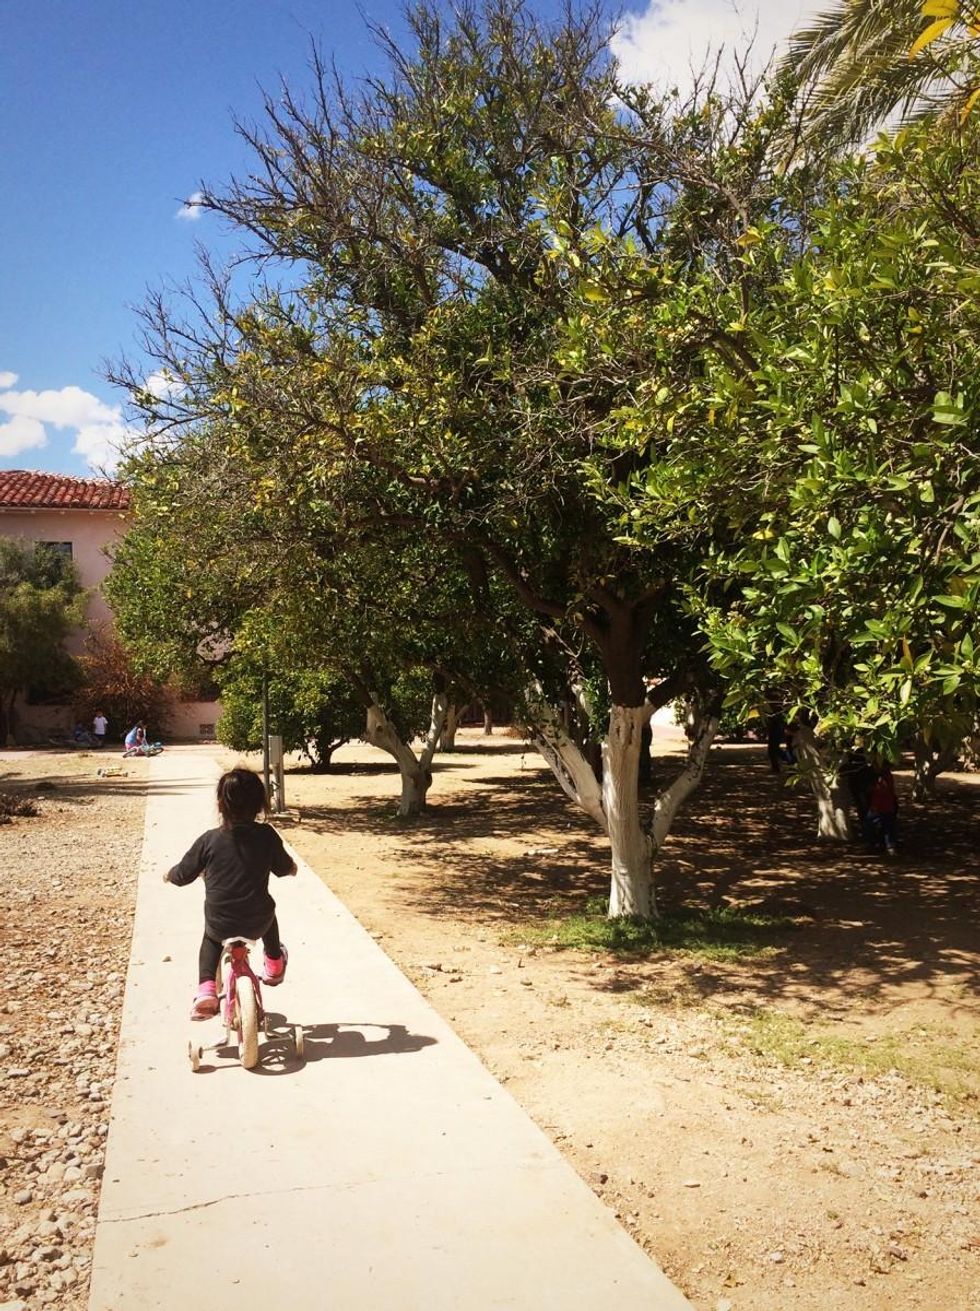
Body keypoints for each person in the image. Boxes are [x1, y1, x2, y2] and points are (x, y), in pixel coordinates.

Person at [164, 767, 296, 1019]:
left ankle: (206, 990)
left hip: (221, 922)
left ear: (220, 804)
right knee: (269, 913)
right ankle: (274, 963)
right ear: (260, 804)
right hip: (257, 921)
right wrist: (292, 869)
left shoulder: (208, 840)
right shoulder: (267, 835)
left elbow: (183, 874)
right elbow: (282, 867)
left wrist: (169, 874)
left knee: (210, 939)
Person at [864, 761, 899, 855]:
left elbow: (883, 791)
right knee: (886, 826)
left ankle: (880, 845)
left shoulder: (883, 778)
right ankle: (886, 846)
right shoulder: (884, 776)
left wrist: (871, 789)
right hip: (884, 806)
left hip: (881, 806)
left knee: (873, 825)